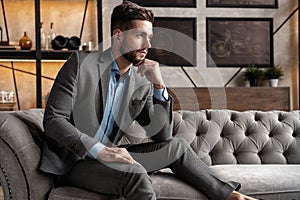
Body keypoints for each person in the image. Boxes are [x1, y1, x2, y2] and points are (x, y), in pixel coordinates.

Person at [39, 1, 257, 200]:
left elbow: (162, 136)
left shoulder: (140, 82)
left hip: (111, 156)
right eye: (139, 36)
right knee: (135, 173)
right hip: (75, 161)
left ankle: (229, 196)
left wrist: (159, 87)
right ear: (118, 36)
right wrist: (100, 149)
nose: (147, 45)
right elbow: (54, 120)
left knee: (177, 147)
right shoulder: (80, 63)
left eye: (149, 37)